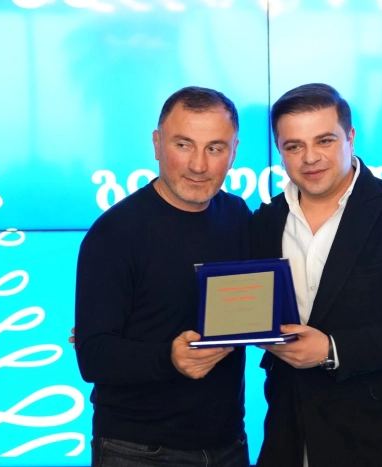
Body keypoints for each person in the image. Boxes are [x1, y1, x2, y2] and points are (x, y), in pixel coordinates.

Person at [251, 83, 382, 467]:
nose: (310, 157)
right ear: (279, 149)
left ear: (350, 137)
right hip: (290, 435)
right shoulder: (266, 220)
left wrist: (330, 349)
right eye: (294, 146)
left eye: (324, 141)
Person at [74, 86, 251, 467]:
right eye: (183, 145)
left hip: (228, 444)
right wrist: (168, 357)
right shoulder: (114, 233)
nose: (198, 165)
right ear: (157, 144)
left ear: (234, 151)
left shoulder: (238, 216)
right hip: (138, 450)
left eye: (215, 148)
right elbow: (92, 357)